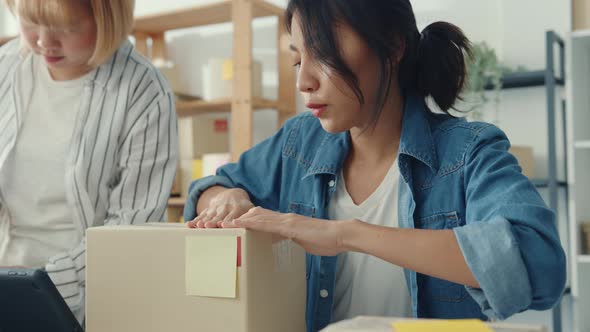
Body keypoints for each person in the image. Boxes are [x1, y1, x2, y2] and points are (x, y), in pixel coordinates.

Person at [183, 1, 566, 331]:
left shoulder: (468, 152)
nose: (304, 80)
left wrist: (345, 234)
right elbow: (211, 187)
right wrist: (228, 194)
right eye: (298, 59)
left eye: (324, 51)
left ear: (392, 45)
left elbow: (538, 265)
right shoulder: (299, 142)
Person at [0, 0, 178, 321]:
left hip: (91, 295)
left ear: (108, 18)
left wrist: (35, 284)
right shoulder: (7, 66)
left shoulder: (144, 90)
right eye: (31, 22)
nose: (44, 42)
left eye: (67, 28)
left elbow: (131, 225)